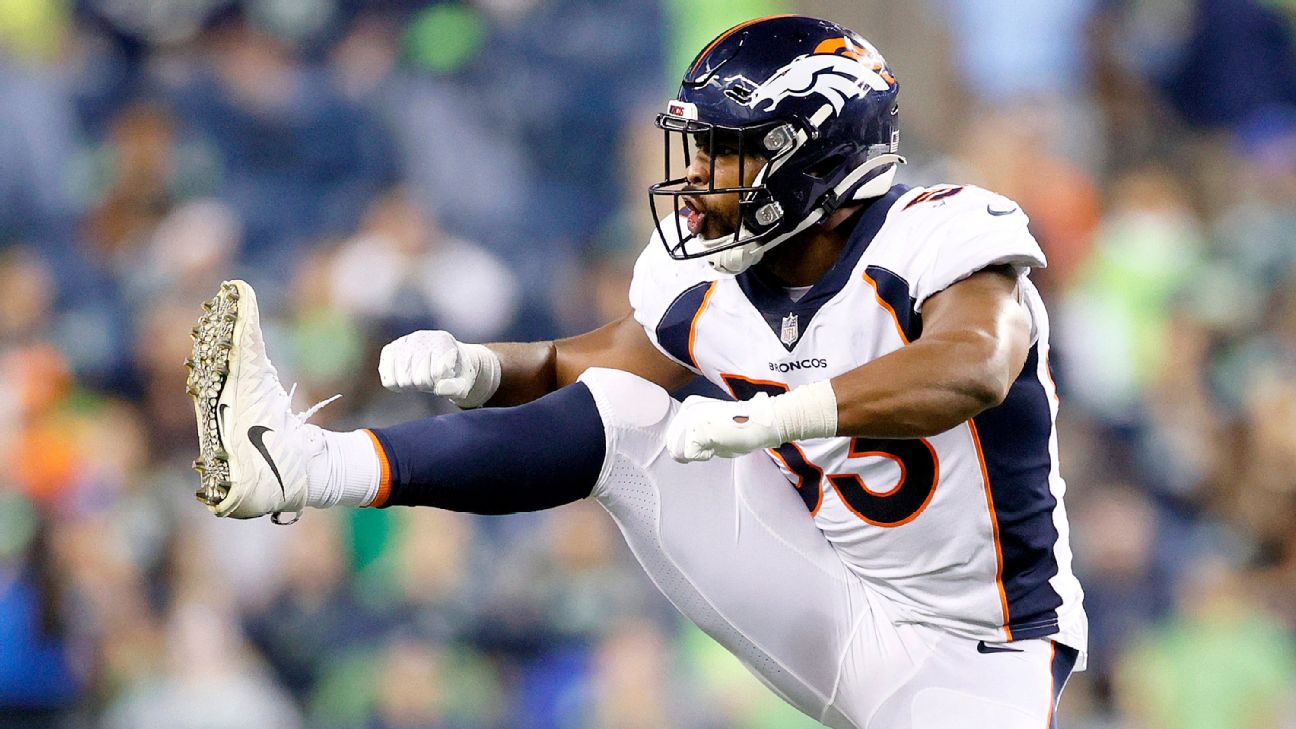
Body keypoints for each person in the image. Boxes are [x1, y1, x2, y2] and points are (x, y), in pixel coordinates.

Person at [185, 15, 1086, 728]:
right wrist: (482, 366)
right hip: (825, 585)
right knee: (625, 414)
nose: (695, 178)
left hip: (980, 643)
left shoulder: (942, 230)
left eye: (727, 152)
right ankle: (305, 465)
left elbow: (976, 365)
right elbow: (595, 366)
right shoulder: (707, 273)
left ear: (815, 159)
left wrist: (784, 414)